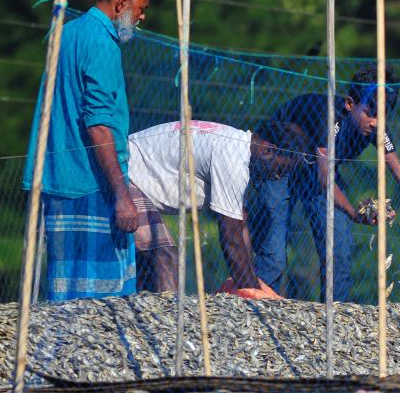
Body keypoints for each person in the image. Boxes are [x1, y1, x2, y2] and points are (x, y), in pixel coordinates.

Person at [250, 65, 400, 302]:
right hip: (278, 166)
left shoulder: (377, 130)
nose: (376, 122)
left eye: (383, 115)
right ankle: (256, 306)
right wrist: (355, 213)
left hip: (316, 171)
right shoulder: (329, 118)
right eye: (371, 112)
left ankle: (334, 315)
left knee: (339, 247)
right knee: (274, 253)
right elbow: (326, 181)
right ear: (349, 104)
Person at [23, 0, 154, 301]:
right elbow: (98, 126)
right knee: (104, 304)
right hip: (92, 184)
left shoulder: (66, 33)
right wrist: (121, 195)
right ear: (122, 2)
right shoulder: (102, 44)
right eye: (141, 9)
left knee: (66, 296)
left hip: (57, 178)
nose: (142, 18)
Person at [126, 118, 311, 297]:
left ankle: (149, 312)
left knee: (155, 262)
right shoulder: (233, 160)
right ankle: (167, 323)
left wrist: (249, 279)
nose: (277, 177)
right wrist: (253, 295)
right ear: (269, 150)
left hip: (133, 176)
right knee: (164, 257)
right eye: (280, 170)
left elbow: (240, 226)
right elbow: (231, 238)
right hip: (126, 176)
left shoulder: (238, 149)